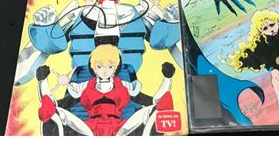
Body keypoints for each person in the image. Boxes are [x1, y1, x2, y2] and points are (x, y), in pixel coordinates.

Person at [36, 44, 175, 136]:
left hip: (120, 128)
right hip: (89, 129)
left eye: (109, 66)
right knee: (54, 111)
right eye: (99, 66)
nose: (104, 71)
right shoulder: (84, 86)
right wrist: (43, 81)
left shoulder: (124, 85)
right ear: (93, 67)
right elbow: (56, 104)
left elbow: (153, 101)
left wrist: (167, 78)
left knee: (155, 110)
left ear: (116, 67)